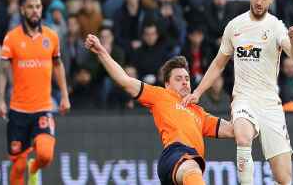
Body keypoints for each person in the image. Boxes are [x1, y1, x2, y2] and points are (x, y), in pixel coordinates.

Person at [182, 0, 293, 185]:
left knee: (284, 179)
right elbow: (219, 63)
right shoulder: (235, 26)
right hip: (243, 98)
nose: (258, 1)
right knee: (243, 135)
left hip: (270, 104)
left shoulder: (276, 26)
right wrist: (198, 92)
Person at [85, 34, 234, 185]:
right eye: (178, 78)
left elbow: (232, 131)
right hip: (176, 153)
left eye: (187, 78)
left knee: (192, 169)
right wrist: (102, 52)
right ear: (167, 84)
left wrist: (242, 106)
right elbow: (125, 81)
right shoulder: (161, 95)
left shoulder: (199, 113)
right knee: (192, 169)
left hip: (185, 164)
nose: (184, 82)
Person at [0, 0, 70, 185]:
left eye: (38, 6)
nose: (35, 10)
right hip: (18, 111)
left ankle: (34, 168)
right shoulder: (11, 38)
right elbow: (3, 72)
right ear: (23, 10)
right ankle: (26, 169)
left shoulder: (52, 37)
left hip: (43, 108)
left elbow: (58, 65)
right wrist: (1, 101)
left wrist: (64, 96)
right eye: (30, 7)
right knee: (18, 166)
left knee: (45, 155)